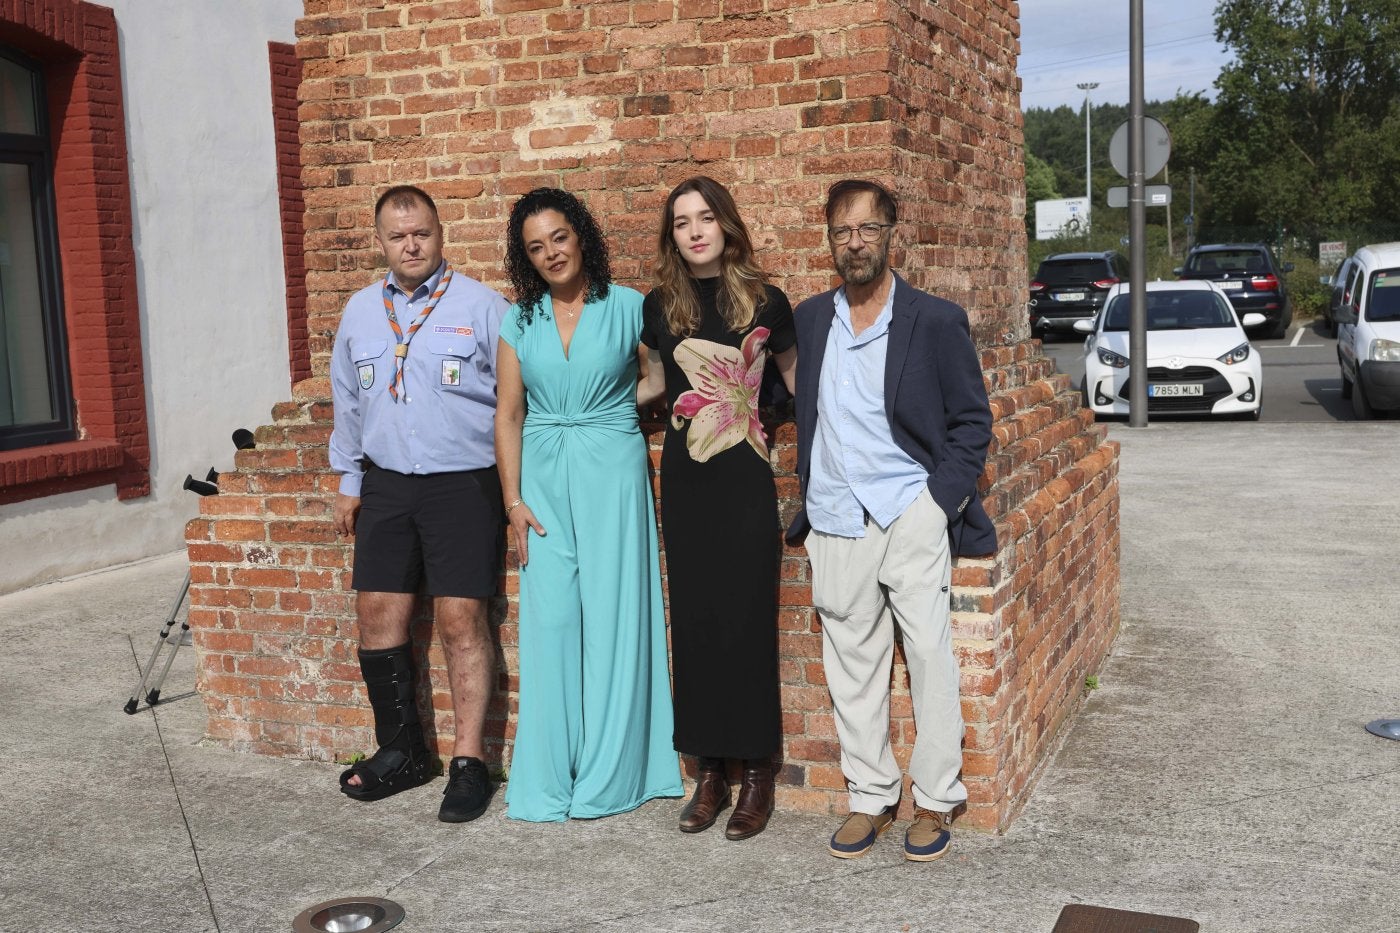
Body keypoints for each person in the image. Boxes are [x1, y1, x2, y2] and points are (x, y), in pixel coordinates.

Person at [786, 180, 995, 861]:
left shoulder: (933, 320)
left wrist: (936, 506)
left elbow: (971, 421)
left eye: (867, 229)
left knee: (930, 656)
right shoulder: (813, 319)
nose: (854, 243)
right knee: (852, 665)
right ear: (830, 239)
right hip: (837, 516)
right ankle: (870, 794)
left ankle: (937, 796)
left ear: (890, 233)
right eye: (842, 231)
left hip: (908, 510)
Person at [494, 187, 683, 821]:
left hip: (613, 468)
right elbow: (508, 413)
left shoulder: (629, 307)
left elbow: (657, 378)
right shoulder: (518, 320)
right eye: (535, 246)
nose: (551, 252)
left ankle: (611, 776)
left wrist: (613, 412)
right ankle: (549, 778)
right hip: (542, 475)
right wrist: (512, 501)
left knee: (614, 614)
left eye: (559, 237)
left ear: (582, 236)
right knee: (549, 625)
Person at [329, 184, 510, 823]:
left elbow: (515, 407)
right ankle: (402, 751)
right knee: (377, 617)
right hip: (385, 485)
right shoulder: (357, 313)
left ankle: (468, 763)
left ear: (441, 233)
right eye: (398, 235)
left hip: (463, 484)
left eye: (422, 233)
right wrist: (349, 482)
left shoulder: (484, 307)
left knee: (463, 621)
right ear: (380, 241)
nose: (411, 245)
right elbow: (348, 404)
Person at [638, 176, 797, 840]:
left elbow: (793, 382)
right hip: (686, 482)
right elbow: (653, 382)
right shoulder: (657, 307)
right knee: (697, 622)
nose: (696, 230)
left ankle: (756, 773)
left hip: (744, 479)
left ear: (727, 225)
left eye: (706, 217)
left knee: (748, 620)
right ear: (671, 235)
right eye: (682, 221)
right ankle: (709, 772)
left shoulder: (768, 300)